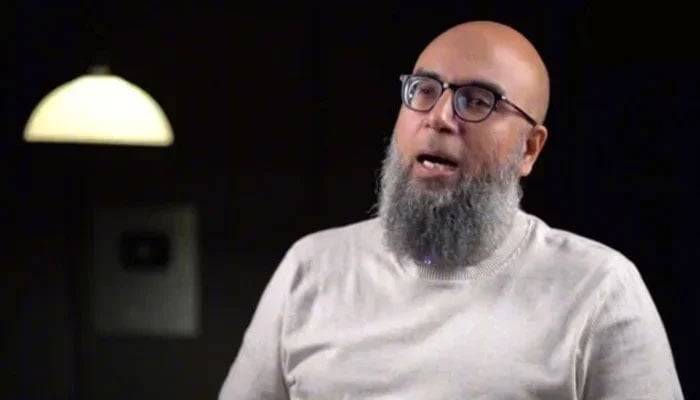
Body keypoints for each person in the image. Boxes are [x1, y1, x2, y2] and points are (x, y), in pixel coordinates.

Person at [218, 20, 684, 399]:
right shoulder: (310, 267)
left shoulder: (598, 289)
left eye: (477, 101)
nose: (439, 117)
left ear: (529, 149)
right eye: (424, 90)